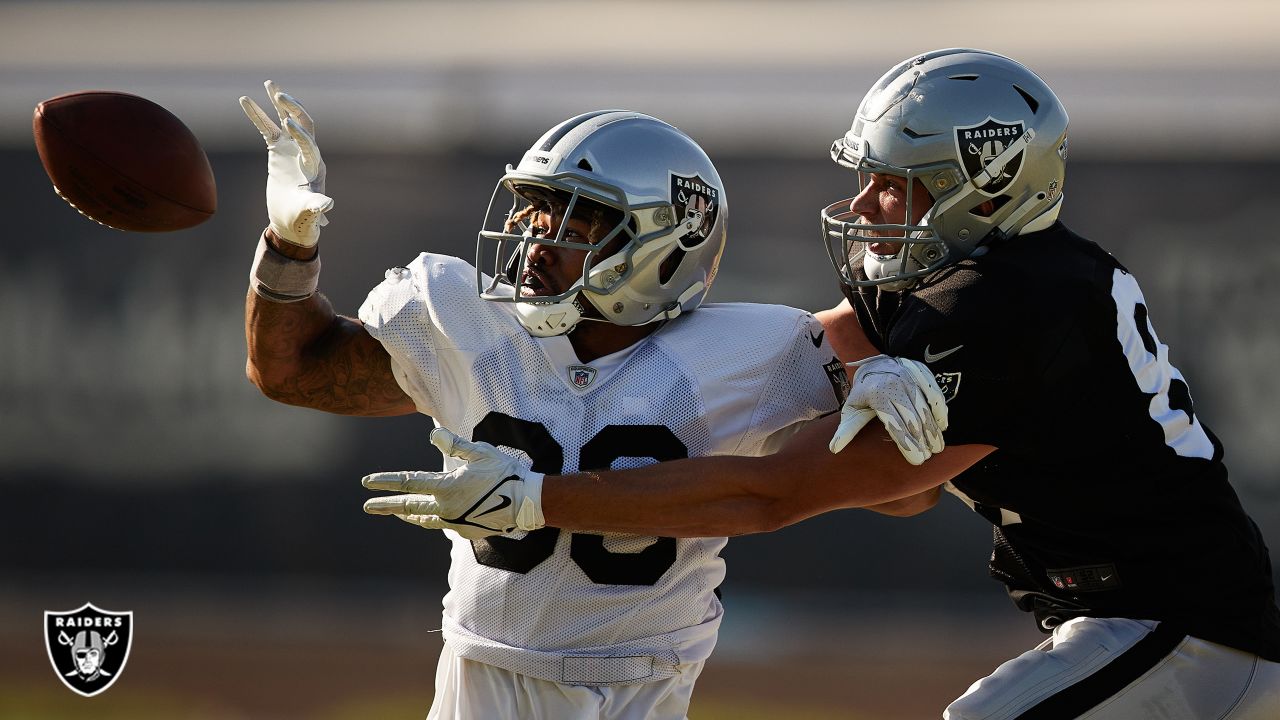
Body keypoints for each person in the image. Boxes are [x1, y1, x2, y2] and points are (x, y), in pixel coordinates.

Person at [362, 49, 1280, 718]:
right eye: (872, 177)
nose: (872, 204)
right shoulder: (980, 282)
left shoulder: (1010, 306)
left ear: (992, 185)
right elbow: (831, 351)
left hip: (1180, 620)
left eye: (900, 185)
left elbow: (779, 492)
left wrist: (537, 500)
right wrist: (873, 368)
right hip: (1134, 615)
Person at [240, 81, 944, 720]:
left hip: (644, 687)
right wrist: (287, 248)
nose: (532, 243)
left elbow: (906, 498)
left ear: (661, 246)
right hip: (477, 674)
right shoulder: (470, 325)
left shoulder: (757, 354)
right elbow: (291, 372)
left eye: (571, 225)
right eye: (533, 215)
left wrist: (873, 411)